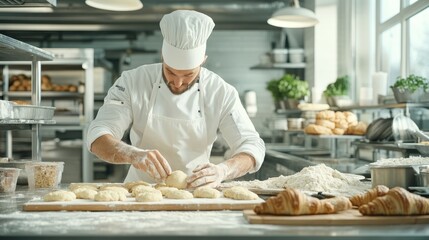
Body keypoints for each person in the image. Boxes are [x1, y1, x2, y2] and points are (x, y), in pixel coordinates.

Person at [87, 10, 265, 188]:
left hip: (196, 192)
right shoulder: (133, 81)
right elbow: (98, 135)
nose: (178, 82)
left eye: (188, 74)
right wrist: (132, 154)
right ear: (162, 57)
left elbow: (252, 145)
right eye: (170, 71)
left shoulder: (220, 91)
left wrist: (223, 170)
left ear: (203, 60)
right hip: (139, 191)